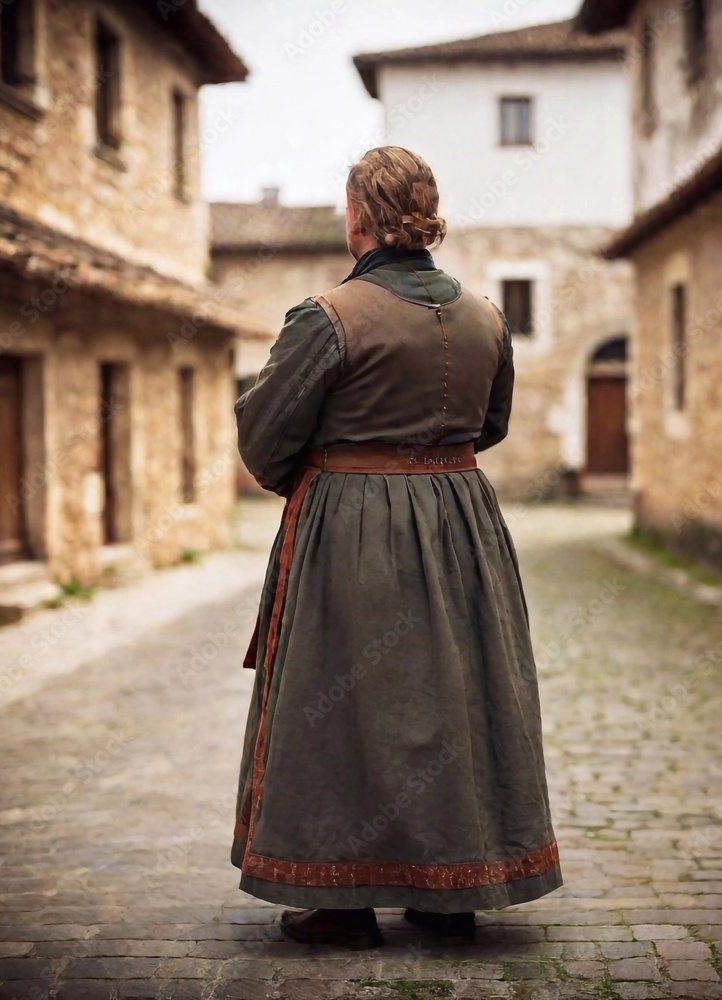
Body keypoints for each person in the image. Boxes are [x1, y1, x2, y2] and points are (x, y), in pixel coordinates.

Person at [231, 146, 562, 949]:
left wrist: (343, 473)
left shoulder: (328, 316)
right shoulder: (487, 315)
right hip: (465, 524)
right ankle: (452, 893)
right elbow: (493, 426)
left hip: (351, 528)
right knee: (458, 694)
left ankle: (342, 902)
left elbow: (264, 436)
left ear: (357, 218)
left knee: (341, 702)